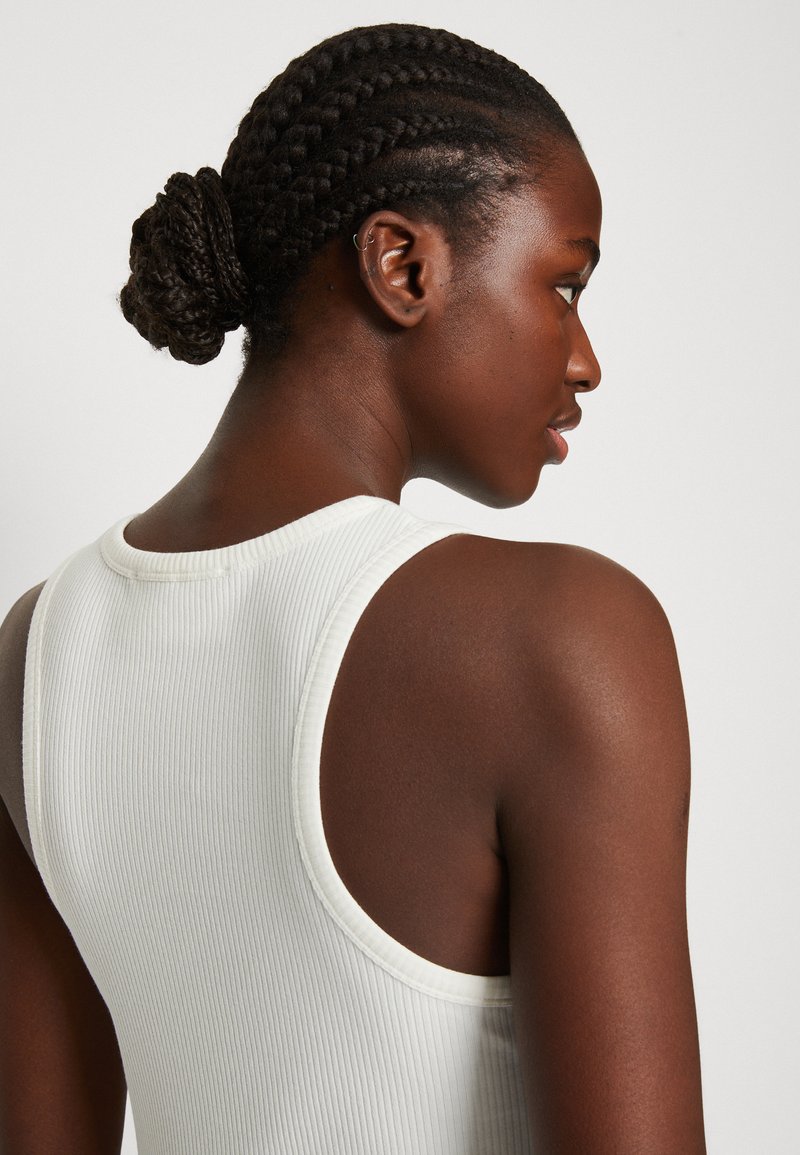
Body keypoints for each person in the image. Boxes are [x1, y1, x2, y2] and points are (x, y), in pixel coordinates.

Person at [0, 21, 707, 1154]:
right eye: (564, 284)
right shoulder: (559, 637)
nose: (584, 359)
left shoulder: (36, 654)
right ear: (403, 267)